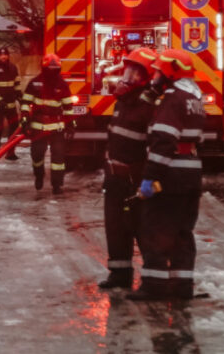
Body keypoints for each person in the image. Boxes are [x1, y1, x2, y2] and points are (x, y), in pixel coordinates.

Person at [127, 49, 206, 301]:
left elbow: (163, 141)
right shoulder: (194, 97)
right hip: (191, 172)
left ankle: (154, 286)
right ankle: (182, 287)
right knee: (183, 233)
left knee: (157, 230)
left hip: (171, 174)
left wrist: (150, 177)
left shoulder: (172, 99)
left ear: (170, 72)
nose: (155, 76)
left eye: (158, 72)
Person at [98, 48, 159, 289]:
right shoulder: (123, 102)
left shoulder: (149, 106)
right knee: (115, 228)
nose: (128, 77)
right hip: (115, 178)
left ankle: (154, 279)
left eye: (136, 72)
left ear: (147, 78)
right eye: (128, 71)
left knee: (143, 229)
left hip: (135, 179)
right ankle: (119, 274)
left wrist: (148, 180)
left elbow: (153, 147)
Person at [19, 54, 75, 194]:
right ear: (44, 68)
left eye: (55, 68)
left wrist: (70, 125)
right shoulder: (34, 83)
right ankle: (39, 175)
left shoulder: (62, 85)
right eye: (50, 68)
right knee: (37, 155)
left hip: (57, 127)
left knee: (58, 159)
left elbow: (68, 107)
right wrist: (25, 120)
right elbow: (25, 103)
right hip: (38, 127)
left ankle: (57, 185)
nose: (52, 71)